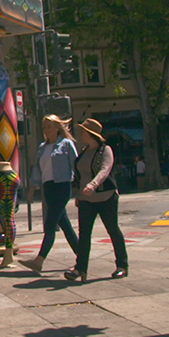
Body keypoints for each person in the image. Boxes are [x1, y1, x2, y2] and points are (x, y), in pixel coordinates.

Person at [65, 118, 128, 282]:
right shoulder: (84, 151)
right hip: (86, 199)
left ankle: (122, 265)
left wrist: (93, 185)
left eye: (83, 132)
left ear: (91, 134)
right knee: (84, 234)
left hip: (105, 196)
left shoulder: (105, 150)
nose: (80, 135)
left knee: (113, 229)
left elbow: (104, 170)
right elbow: (80, 175)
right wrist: (79, 194)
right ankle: (80, 269)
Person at [18, 114, 79, 274]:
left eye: (50, 127)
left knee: (50, 224)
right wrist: (32, 187)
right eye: (45, 127)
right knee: (65, 225)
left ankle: (39, 260)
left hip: (62, 186)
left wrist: (81, 186)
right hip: (49, 188)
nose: (47, 130)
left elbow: (76, 165)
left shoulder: (66, 144)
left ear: (58, 128)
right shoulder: (42, 147)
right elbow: (37, 169)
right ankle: (82, 256)